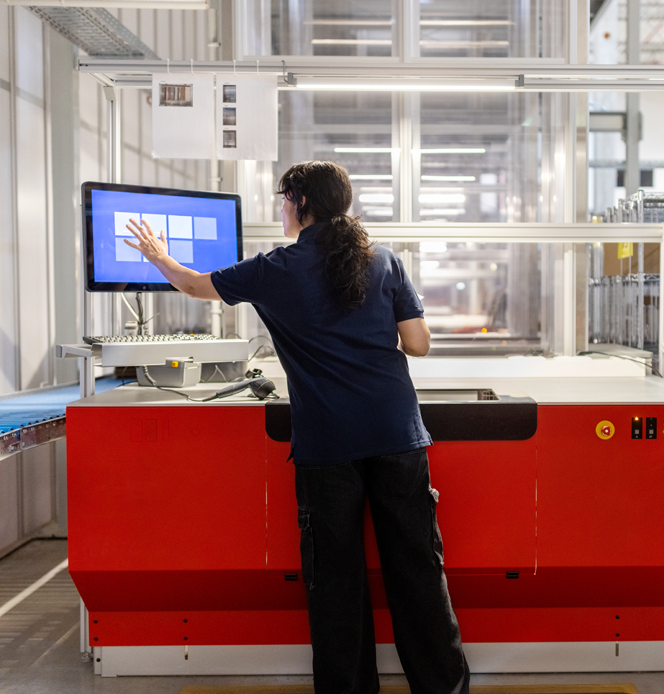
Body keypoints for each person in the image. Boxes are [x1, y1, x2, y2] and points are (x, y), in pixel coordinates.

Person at [125, 160, 470, 694]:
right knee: (420, 575)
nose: (281, 207)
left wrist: (157, 255)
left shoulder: (275, 270)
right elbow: (419, 343)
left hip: (328, 445)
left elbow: (195, 286)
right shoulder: (384, 261)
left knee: (335, 583)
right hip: (398, 434)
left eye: (283, 197)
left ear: (300, 203)